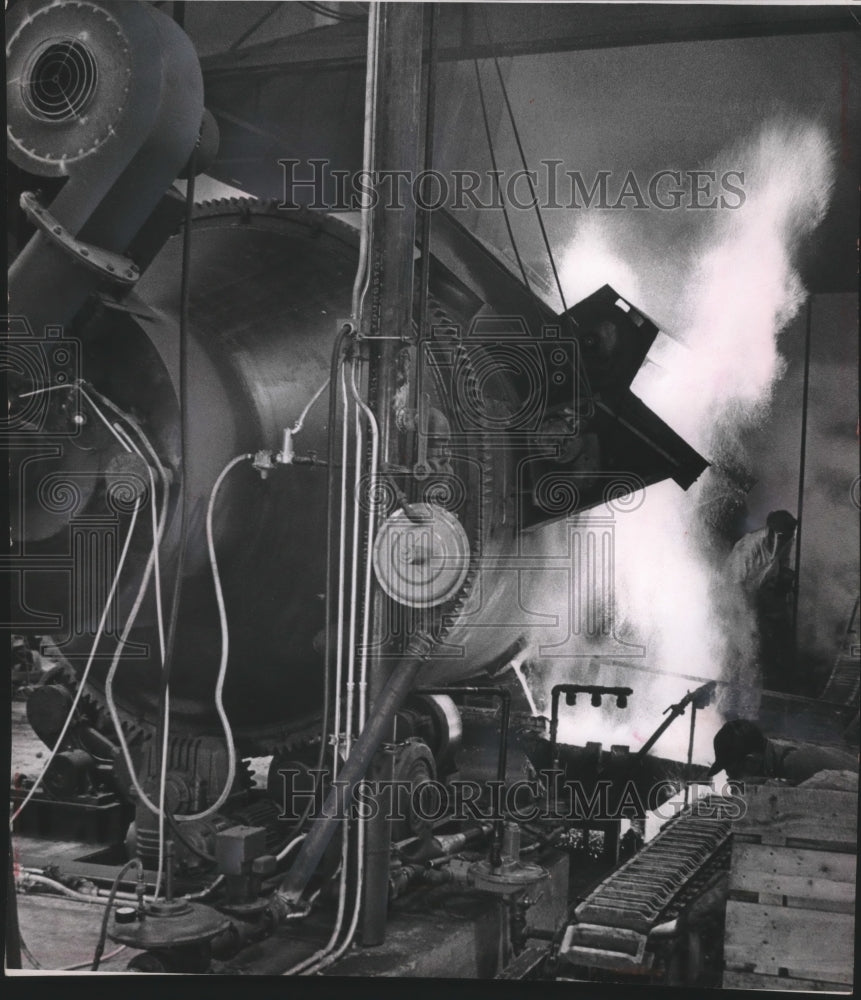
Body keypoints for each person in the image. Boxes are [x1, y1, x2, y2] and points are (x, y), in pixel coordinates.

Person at [719, 510, 798, 716]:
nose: (787, 540)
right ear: (771, 532)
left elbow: (781, 564)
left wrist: (783, 579)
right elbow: (733, 583)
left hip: (754, 599)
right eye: (784, 536)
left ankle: (747, 713)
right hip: (731, 600)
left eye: (790, 535)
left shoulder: (786, 539)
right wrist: (747, 619)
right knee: (735, 656)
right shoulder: (749, 546)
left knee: (752, 657)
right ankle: (722, 708)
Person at [706, 719, 858, 783]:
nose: (730, 779)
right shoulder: (777, 755)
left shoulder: (795, 762)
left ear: (750, 761)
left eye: (733, 773)